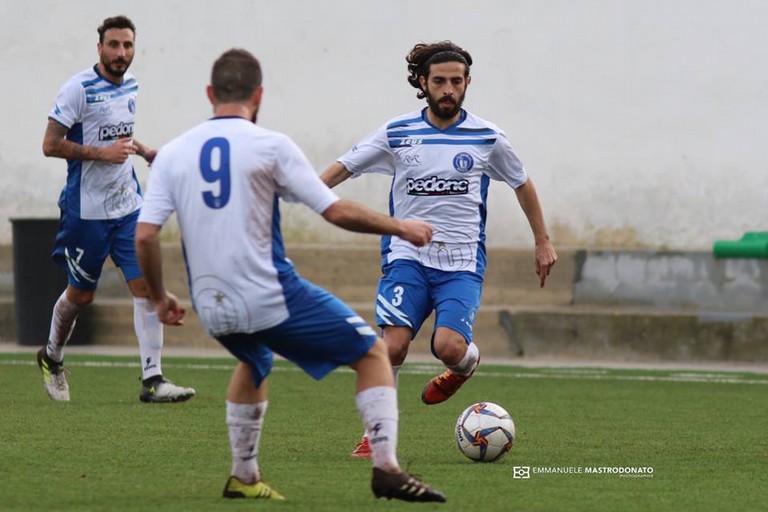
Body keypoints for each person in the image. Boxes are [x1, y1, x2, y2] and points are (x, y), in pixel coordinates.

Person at [135, 48, 446, 503]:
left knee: (254, 360)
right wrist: (401, 226)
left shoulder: (173, 153)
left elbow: (145, 236)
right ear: (258, 96)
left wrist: (160, 297)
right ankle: (387, 470)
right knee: (373, 354)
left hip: (211, 303)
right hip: (268, 294)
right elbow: (335, 210)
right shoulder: (271, 146)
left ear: (209, 93)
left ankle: (244, 476)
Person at [320, 40, 558, 458]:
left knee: (448, 348)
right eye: (439, 81)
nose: (448, 89)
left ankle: (465, 365)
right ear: (422, 83)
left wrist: (542, 241)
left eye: (456, 81)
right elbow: (345, 165)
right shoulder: (397, 132)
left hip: (461, 262)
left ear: (467, 83)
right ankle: (377, 435)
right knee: (391, 346)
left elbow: (522, 183)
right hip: (406, 258)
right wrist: (309, 192)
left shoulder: (488, 137)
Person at [35, 15, 195, 404]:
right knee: (81, 296)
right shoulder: (77, 89)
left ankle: (153, 380)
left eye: (127, 45)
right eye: (114, 45)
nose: (121, 53)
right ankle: (51, 357)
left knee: (144, 287)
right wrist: (100, 154)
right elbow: (51, 144)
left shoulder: (132, 86)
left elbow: (117, 133)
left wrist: (143, 150)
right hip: (86, 212)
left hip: (128, 206)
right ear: (100, 47)